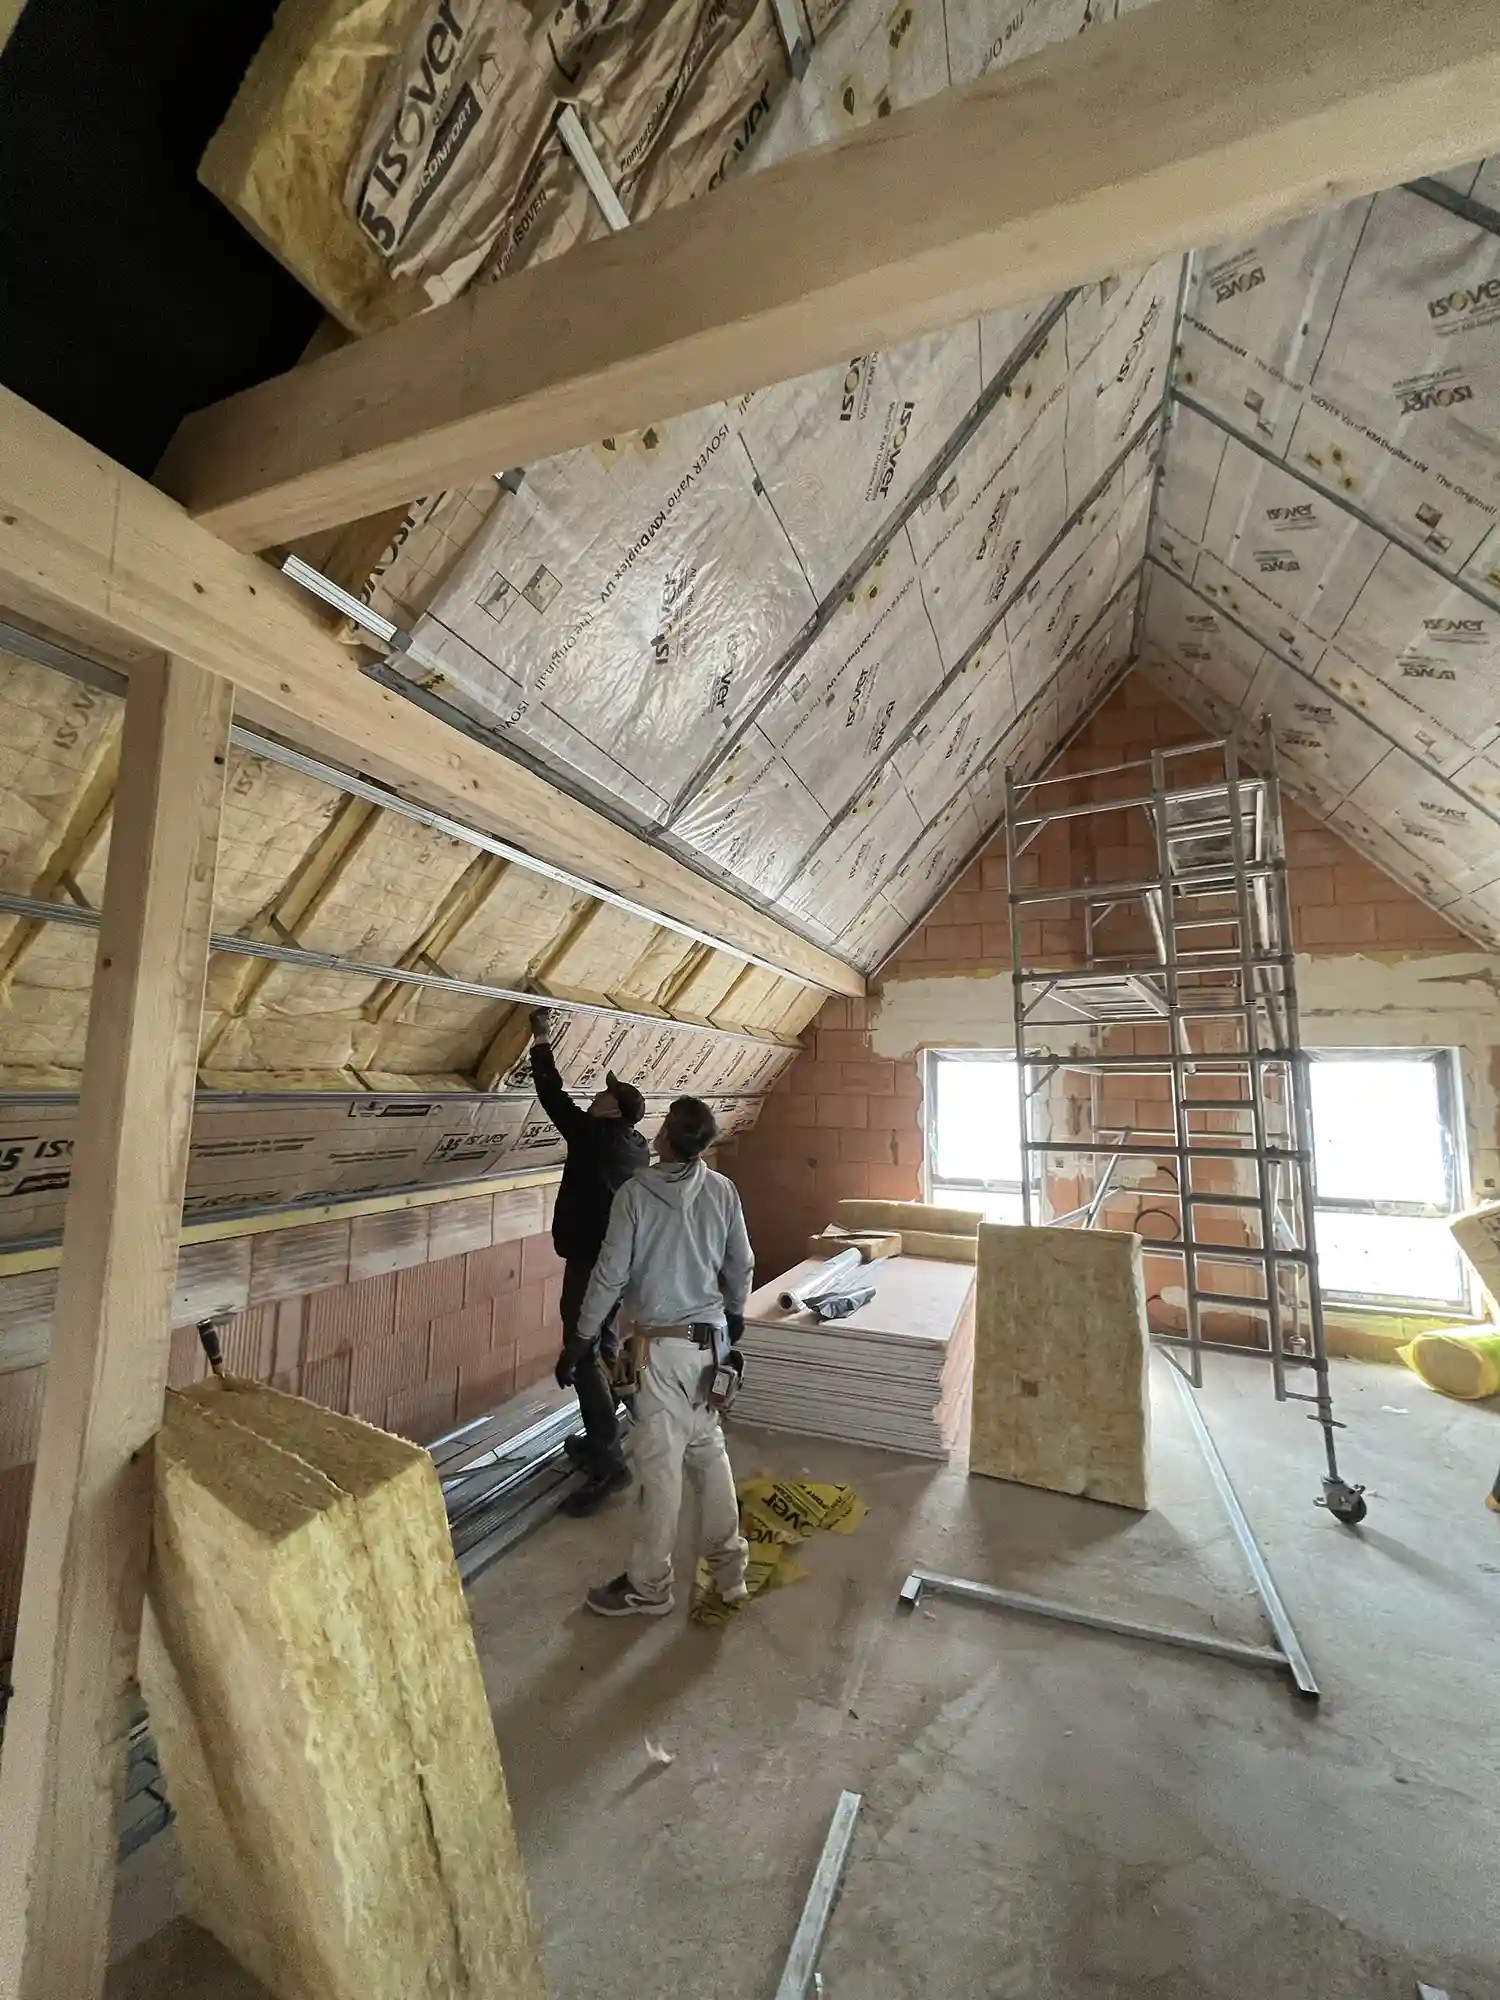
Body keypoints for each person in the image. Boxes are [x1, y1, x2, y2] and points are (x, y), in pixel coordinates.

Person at [575, 1096, 753, 1618]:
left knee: (659, 1470)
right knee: (708, 1452)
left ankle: (649, 1587)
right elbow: (741, 1261)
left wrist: (582, 1336)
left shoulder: (635, 1194)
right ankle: (729, 1575)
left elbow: (610, 1273)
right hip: (711, 1346)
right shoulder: (722, 1190)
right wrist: (735, 1312)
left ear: (666, 1138)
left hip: (661, 1350)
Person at [527, 1008, 648, 1515]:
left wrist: (541, 1038)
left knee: (581, 1355)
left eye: (604, 1094)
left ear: (612, 1111)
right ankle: (610, 1432)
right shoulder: (636, 1146)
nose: (596, 1096)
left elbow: (552, 1096)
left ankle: (607, 1459)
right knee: (604, 1345)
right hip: (617, 1263)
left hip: (590, 1263)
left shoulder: (594, 1137)